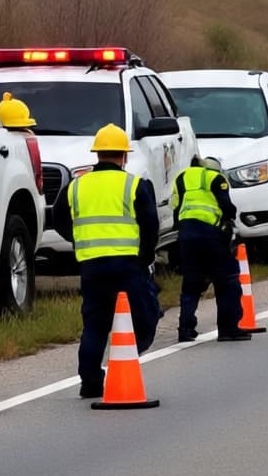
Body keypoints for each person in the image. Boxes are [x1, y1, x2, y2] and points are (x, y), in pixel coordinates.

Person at [53, 123, 161, 399]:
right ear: (124, 156)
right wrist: (145, 257)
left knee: (95, 325)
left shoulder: (76, 186)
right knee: (145, 317)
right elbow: (150, 225)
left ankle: (90, 383)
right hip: (128, 266)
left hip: (92, 265)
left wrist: (81, 241)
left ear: (97, 155)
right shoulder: (134, 184)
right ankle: (125, 360)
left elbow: (59, 219)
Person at [172, 155, 248, 343]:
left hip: (187, 235)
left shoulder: (181, 179)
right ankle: (228, 328)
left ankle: (185, 329)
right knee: (227, 281)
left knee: (191, 284)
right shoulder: (215, 178)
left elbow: (176, 209)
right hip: (211, 234)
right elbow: (227, 207)